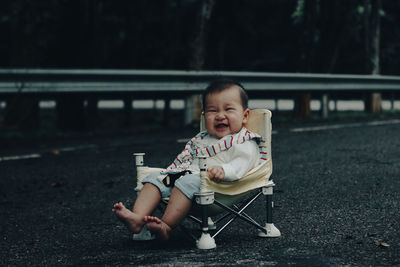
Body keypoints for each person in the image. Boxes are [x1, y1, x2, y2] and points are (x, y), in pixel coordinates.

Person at [112, 79, 266, 241]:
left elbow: (241, 165)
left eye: (228, 109)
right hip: (186, 180)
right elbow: (187, 160)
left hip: (218, 188)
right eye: (212, 111)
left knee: (187, 182)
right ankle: (137, 219)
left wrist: (224, 171)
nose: (220, 116)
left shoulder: (243, 141)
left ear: (245, 116)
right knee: (154, 180)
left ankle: (167, 226)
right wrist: (172, 174)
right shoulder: (203, 138)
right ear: (204, 114)